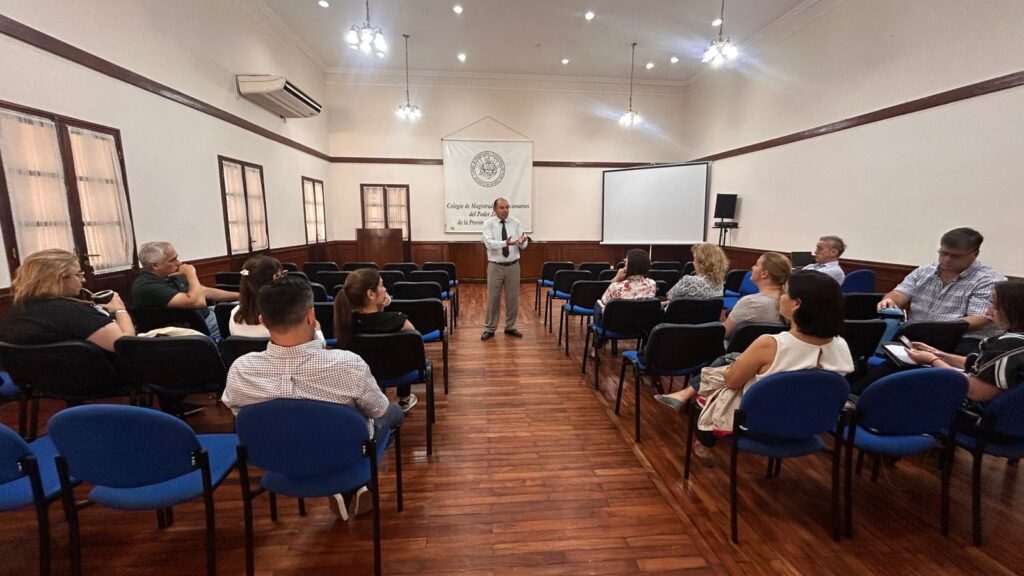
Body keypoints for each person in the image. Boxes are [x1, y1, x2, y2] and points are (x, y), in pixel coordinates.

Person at [222, 276, 403, 521]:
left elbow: (240, 416)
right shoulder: (348, 364)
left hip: (279, 458)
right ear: (311, 316)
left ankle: (351, 486)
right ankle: (354, 483)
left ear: (263, 321)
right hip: (343, 451)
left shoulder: (241, 370)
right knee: (392, 414)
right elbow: (378, 411)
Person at [656, 270, 854, 465]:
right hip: (810, 426)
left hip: (759, 426)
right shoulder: (841, 345)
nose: (780, 297)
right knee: (727, 364)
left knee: (715, 384)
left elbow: (732, 382)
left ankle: (704, 437)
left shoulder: (770, 344)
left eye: (784, 293)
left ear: (796, 305)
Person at [906, 280, 1024, 414]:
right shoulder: (1016, 342)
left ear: (1014, 310)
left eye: (995, 306)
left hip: (974, 417)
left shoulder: (1009, 344)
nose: (989, 312)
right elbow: (982, 366)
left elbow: (976, 392)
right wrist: (940, 355)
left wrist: (932, 361)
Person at [877, 227, 1005, 345]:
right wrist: (891, 300)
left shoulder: (989, 280)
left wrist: (931, 328)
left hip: (964, 340)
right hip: (918, 336)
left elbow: (979, 319)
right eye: (943, 253)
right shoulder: (924, 271)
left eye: (955, 256)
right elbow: (900, 293)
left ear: (975, 254)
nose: (947, 259)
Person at [0, 248, 135, 352]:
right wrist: (120, 309)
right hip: (96, 381)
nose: (84, 279)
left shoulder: (17, 311)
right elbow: (125, 345)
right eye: (78, 274)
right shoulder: (75, 313)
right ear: (58, 279)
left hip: (43, 383)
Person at [334, 268, 418, 412]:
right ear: (371, 294)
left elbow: (372, 320)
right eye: (382, 285)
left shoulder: (345, 322)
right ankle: (405, 398)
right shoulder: (398, 321)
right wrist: (383, 311)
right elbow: (416, 343)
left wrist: (380, 308)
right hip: (398, 373)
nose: (385, 289)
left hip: (363, 376)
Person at [132, 241, 239, 339]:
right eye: (172, 260)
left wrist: (241, 295)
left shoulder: (169, 275)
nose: (179, 263)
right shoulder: (147, 286)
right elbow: (198, 302)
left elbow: (204, 291)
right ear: (155, 265)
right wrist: (191, 273)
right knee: (245, 319)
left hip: (206, 314)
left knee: (242, 305)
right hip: (196, 327)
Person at [481, 197, 528, 340]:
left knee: (512, 298)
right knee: (493, 298)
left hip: (513, 265)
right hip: (495, 266)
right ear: (494, 209)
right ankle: (489, 328)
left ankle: (510, 326)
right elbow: (489, 243)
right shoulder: (488, 224)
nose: (505, 210)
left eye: (507, 207)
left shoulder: (516, 223)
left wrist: (522, 242)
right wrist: (505, 243)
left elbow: (523, 245)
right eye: (501, 207)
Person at [722, 252, 791, 339]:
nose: (752, 267)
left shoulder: (750, 302)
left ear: (764, 274)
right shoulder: (791, 303)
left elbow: (724, 333)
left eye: (756, 264)